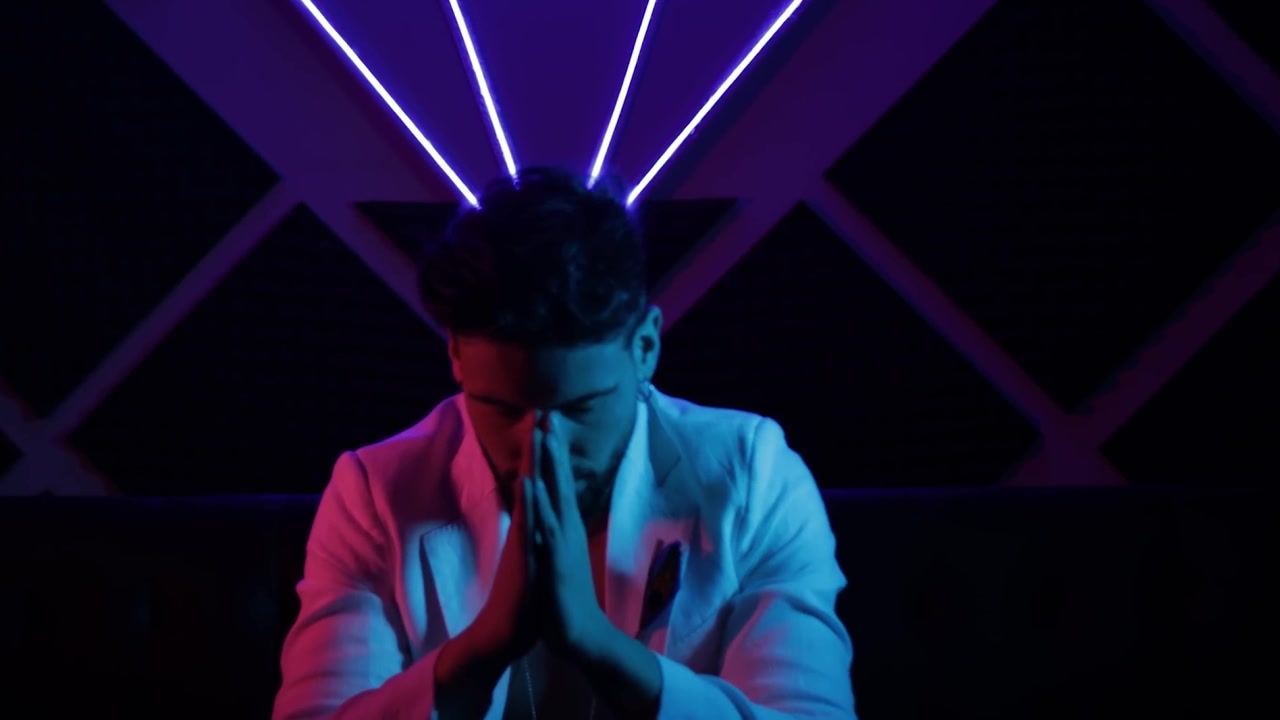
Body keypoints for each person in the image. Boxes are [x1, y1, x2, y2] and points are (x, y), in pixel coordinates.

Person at [272, 167, 855, 719]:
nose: (540, 445)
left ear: (646, 346)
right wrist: (480, 650)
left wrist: (599, 645)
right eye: (502, 409)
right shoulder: (374, 494)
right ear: (455, 355)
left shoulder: (752, 477)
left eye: (581, 409)